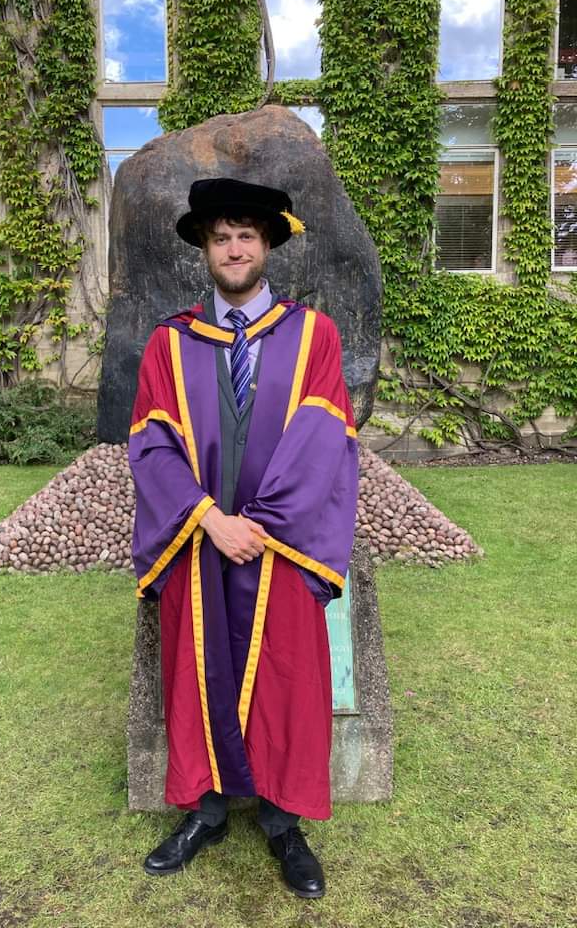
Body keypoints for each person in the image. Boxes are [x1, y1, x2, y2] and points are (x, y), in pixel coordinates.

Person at [128, 177, 359, 899]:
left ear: (268, 247)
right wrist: (208, 519)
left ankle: (285, 825)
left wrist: (257, 524)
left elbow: (324, 438)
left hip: (279, 544)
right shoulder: (169, 343)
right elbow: (151, 445)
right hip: (199, 540)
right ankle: (206, 810)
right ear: (205, 247)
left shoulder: (313, 334)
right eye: (221, 236)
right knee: (199, 680)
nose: (234, 248)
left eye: (247, 236)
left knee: (284, 682)